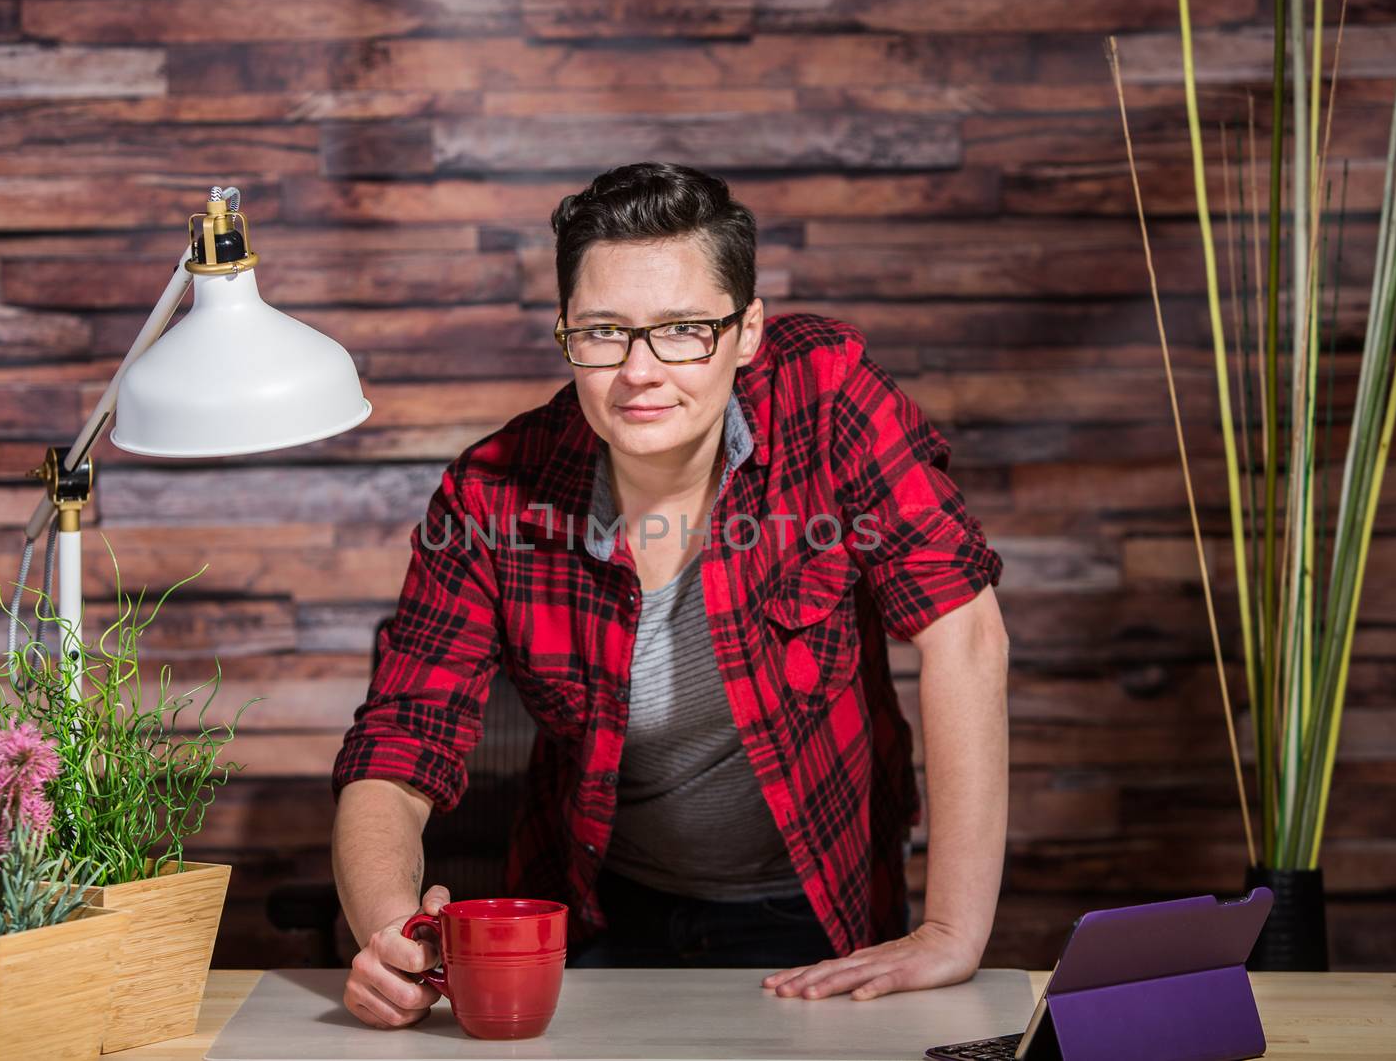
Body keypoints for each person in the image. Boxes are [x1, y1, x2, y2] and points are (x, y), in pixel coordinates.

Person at [331, 162, 1009, 1030]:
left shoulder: (827, 396)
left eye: (684, 329)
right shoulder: (489, 495)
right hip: (598, 913)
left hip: (813, 911)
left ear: (747, 329)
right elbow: (398, 741)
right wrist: (387, 926)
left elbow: (963, 629)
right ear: (566, 331)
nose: (640, 372)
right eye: (605, 332)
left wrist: (952, 929)